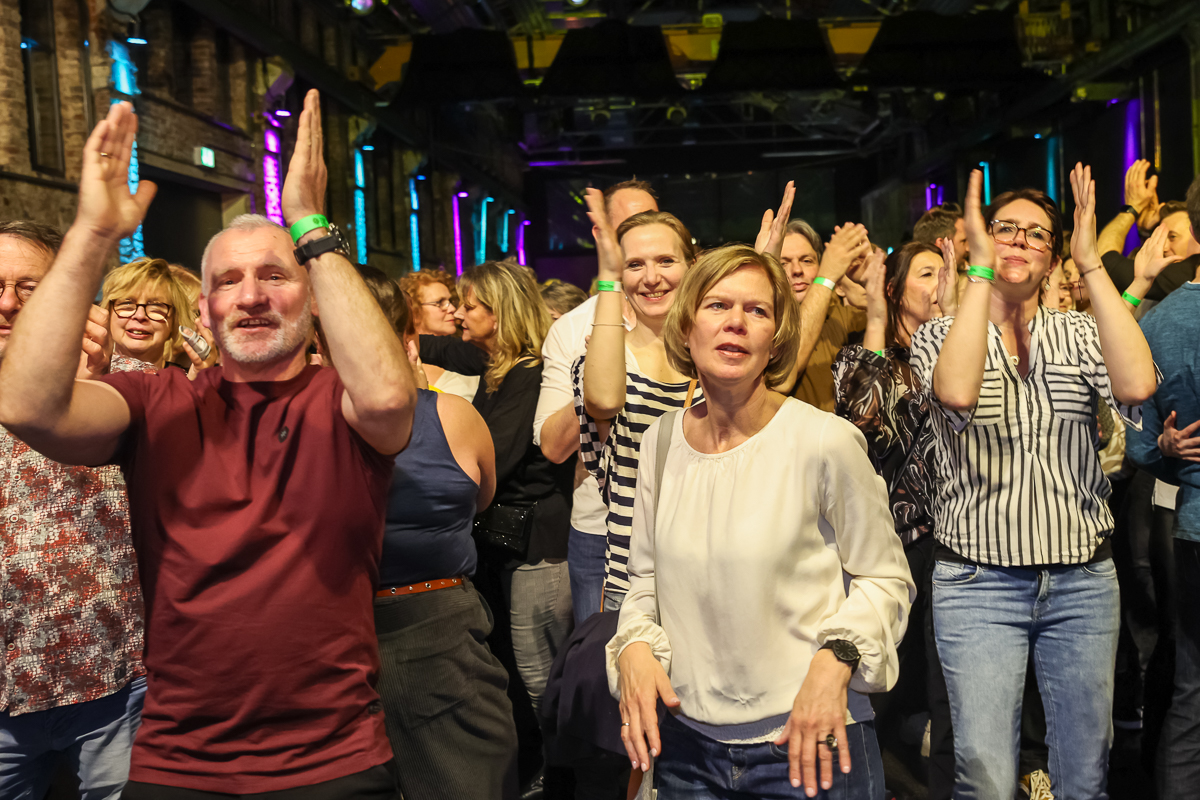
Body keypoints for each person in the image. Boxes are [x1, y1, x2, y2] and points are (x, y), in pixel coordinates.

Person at [0, 93, 417, 798]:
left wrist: (311, 224)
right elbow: (26, 404)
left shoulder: (340, 404)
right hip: (179, 762)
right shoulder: (158, 400)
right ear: (204, 310)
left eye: (274, 276)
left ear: (312, 297)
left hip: (333, 761)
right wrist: (95, 232)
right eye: (228, 281)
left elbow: (385, 397)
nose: (250, 296)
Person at [609, 244, 914, 799]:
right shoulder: (659, 443)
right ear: (685, 328)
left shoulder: (824, 440)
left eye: (757, 310)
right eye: (718, 305)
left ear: (775, 338)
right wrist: (633, 645)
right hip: (687, 754)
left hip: (809, 744)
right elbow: (645, 582)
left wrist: (837, 658)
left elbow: (886, 579)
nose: (735, 323)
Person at [909, 164, 1158, 800]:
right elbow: (958, 392)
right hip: (977, 585)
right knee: (987, 777)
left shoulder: (1078, 332)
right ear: (981, 240)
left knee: (1085, 772)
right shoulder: (942, 333)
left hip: (1081, 582)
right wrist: (982, 275)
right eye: (1005, 229)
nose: (1019, 240)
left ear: (1052, 257)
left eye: (1036, 235)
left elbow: (1136, 387)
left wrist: (1094, 264)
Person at [0, 221, 149, 799]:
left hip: (111, 681)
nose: (8, 302)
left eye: (30, 287)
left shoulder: (123, 386)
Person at [368, 281, 520, 800]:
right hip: (409, 622)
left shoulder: (448, 414)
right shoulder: (450, 413)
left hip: (431, 630)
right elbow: (481, 499)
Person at [418, 260, 574, 745]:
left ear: (500, 313)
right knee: (520, 670)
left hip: (536, 550)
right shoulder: (496, 368)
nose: (459, 315)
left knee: (539, 678)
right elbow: (435, 344)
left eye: (469, 305)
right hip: (508, 544)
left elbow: (496, 460)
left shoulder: (529, 376)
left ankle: (561, 782)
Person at [833, 239, 958, 800]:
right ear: (893, 289)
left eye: (946, 271)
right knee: (877, 688)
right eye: (927, 273)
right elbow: (857, 423)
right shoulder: (867, 358)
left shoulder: (969, 351)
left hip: (958, 543)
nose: (939, 283)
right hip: (894, 546)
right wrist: (877, 323)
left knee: (948, 695)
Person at [534, 181, 659, 627]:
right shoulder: (572, 328)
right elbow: (552, 446)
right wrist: (597, 377)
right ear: (603, 235)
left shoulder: (696, 320)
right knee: (608, 672)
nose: (640, 235)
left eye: (650, 222)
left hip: (687, 522)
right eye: (626, 226)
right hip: (601, 530)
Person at [576, 198, 701, 612]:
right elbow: (604, 400)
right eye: (634, 265)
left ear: (691, 264)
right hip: (633, 584)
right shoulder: (604, 363)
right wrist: (608, 278)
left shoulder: (717, 359)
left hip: (711, 577)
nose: (651, 278)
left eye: (666, 260)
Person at [1126, 172, 1200, 800]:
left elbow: (1138, 438)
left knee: (1191, 693)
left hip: (1191, 523)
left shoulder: (1162, 321)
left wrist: (1164, 449)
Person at [776, 219, 872, 411]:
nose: (796, 270)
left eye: (807, 260)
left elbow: (905, 332)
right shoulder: (763, 327)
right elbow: (783, 377)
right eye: (783, 263)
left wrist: (871, 281)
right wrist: (827, 276)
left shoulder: (842, 317)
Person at [100, 257, 195, 369]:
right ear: (108, 313)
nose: (140, 316)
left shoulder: (189, 382)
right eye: (127, 304)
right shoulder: (84, 378)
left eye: (155, 307)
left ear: (174, 320)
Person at [400, 268, 479, 401]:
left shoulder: (469, 357)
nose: (452, 309)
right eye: (440, 303)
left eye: (450, 301)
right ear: (414, 310)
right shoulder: (400, 364)